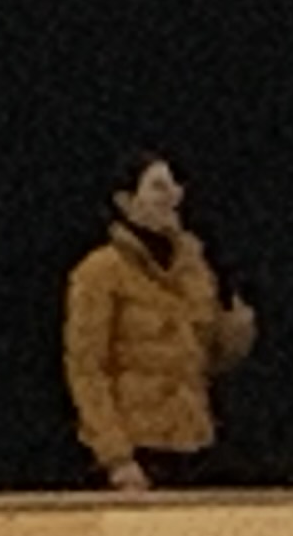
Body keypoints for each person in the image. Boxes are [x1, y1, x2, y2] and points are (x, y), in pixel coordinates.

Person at [63, 149, 255, 492]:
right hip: (138, 451)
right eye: (158, 186)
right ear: (126, 201)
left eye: (175, 186)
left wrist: (236, 330)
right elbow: (86, 369)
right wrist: (116, 456)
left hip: (194, 443)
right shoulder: (100, 272)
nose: (173, 195)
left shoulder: (194, 267)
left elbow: (208, 359)